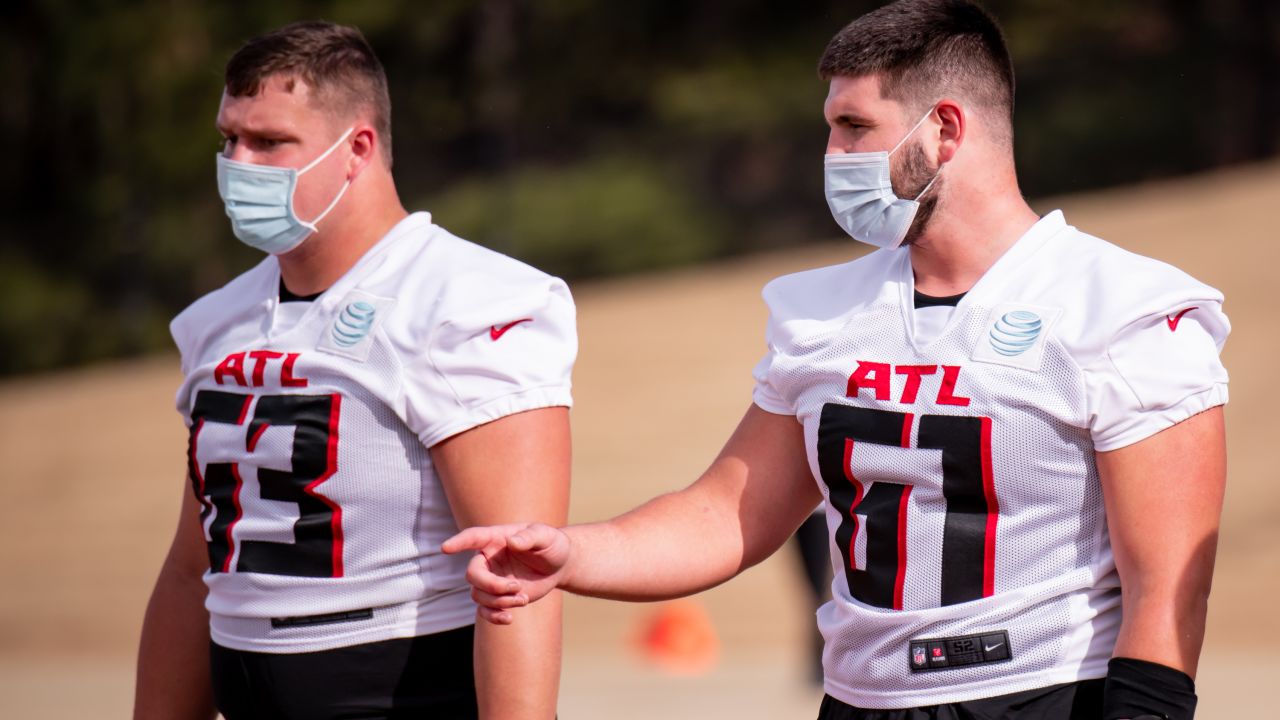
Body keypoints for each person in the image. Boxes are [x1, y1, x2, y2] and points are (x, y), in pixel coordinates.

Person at [444, 2, 1228, 719]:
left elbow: (1166, 591)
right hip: (857, 703)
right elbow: (728, 513)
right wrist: (573, 552)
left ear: (944, 130)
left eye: (854, 126)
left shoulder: (1123, 309)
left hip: (1041, 696)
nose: (832, 151)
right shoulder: (828, 313)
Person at [134, 21, 575, 720]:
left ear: (357, 149)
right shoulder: (217, 320)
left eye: (270, 142)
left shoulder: (465, 301)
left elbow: (513, 578)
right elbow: (196, 570)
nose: (238, 162)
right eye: (229, 139)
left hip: (396, 687)